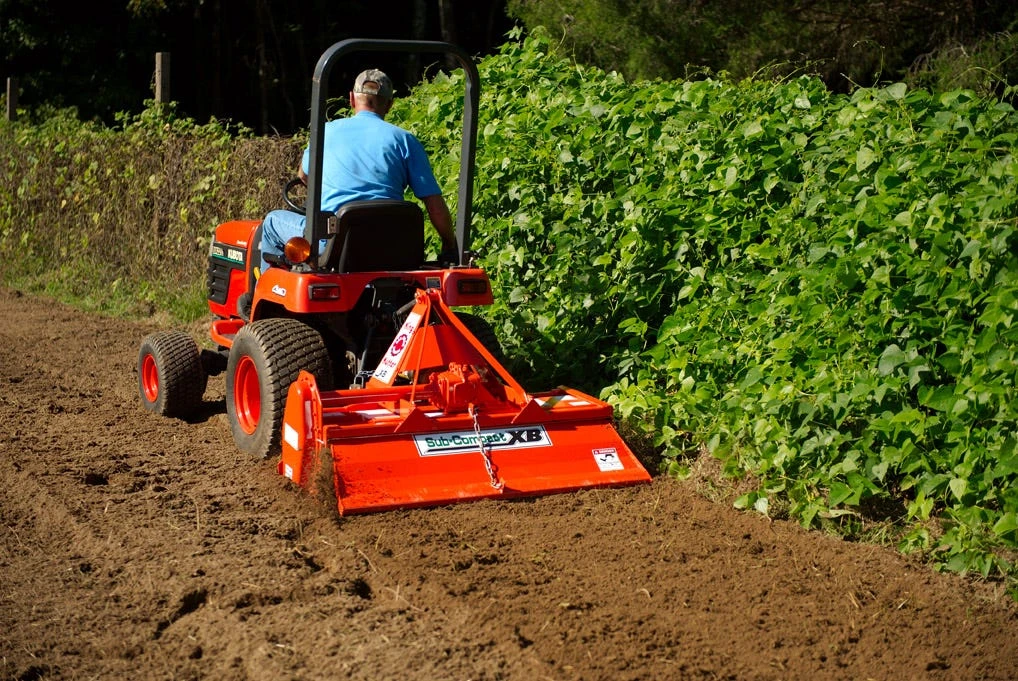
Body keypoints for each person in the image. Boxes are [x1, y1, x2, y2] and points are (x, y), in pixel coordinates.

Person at [258, 68, 457, 273]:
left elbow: (304, 177)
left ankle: (260, 299)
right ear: (389, 104)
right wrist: (450, 245)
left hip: (336, 244)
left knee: (272, 222)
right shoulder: (405, 140)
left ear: (352, 99)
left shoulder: (325, 133)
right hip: (392, 245)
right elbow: (434, 204)